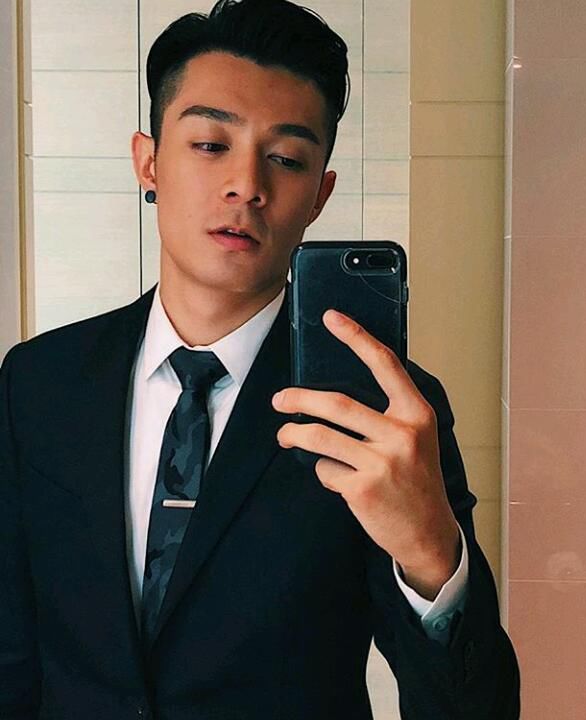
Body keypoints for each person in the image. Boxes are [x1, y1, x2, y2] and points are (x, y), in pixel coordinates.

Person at [0, 0, 520, 717]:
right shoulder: (40, 382)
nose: (247, 184)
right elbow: (13, 651)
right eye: (211, 144)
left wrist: (431, 553)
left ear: (319, 194)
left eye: (287, 158)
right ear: (148, 162)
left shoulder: (380, 410)